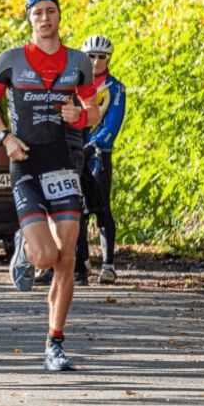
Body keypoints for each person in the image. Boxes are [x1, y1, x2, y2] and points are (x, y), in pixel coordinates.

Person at [0, 0, 100, 371]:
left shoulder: (78, 62)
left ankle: (54, 344)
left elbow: (92, 109)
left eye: (51, 12)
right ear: (29, 20)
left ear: (59, 16)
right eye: (37, 13)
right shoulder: (11, 61)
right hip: (25, 162)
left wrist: (78, 118)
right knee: (45, 256)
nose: (44, 19)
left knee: (66, 257)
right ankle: (25, 245)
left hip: (63, 163)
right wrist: (5, 138)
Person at [78, 33, 126, 284]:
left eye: (101, 57)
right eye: (91, 56)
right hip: (75, 152)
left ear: (108, 59)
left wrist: (95, 144)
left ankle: (108, 264)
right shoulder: (73, 83)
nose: (96, 61)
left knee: (101, 207)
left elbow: (114, 121)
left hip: (98, 154)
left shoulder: (115, 87)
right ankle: (81, 263)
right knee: (77, 209)